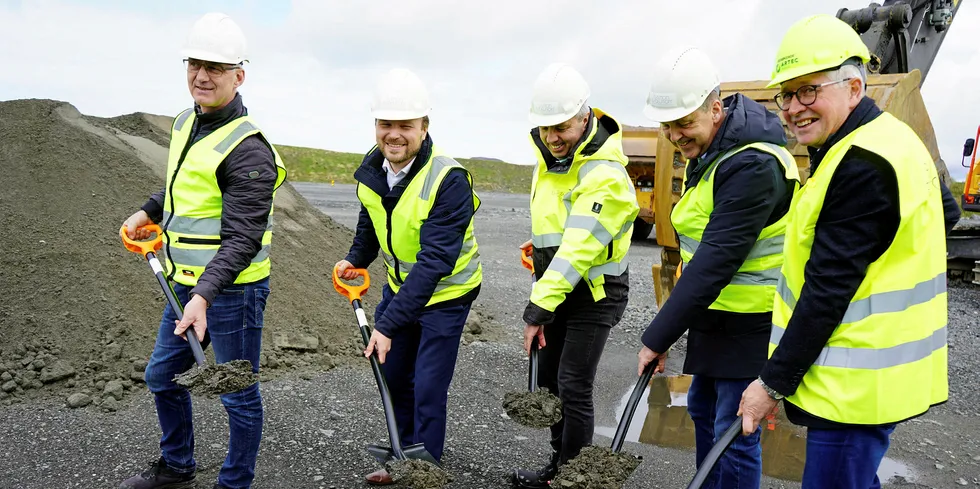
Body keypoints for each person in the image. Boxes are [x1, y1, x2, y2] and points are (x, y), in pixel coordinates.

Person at [738, 14, 961, 489]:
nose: (793, 107)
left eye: (808, 91)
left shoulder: (860, 163)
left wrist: (770, 384)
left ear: (854, 87)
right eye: (786, 94)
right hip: (872, 375)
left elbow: (827, 292)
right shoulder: (894, 138)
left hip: (853, 382)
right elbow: (947, 214)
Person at [119, 12, 287, 489]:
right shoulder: (184, 122)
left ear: (239, 75)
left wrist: (204, 297)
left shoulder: (249, 150)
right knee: (162, 376)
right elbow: (182, 187)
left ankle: (234, 483)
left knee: (237, 394)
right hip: (185, 282)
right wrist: (149, 210)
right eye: (195, 63)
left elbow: (242, 238)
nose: (202, 75)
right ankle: (178, 466)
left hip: (232, 292)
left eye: (215, 67)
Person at [635, 45, 801, 488]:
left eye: (684, 123)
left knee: (735, 429)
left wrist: (657, 338)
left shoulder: (754, 164)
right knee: (703, 411)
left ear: (715, 107)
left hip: (753, 320)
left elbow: (715, 261)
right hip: (717, 315)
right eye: (667, 125)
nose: (675, 135)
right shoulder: (714, 149)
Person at [334, 67, 483, 486]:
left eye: (405, 125)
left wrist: (387, 323)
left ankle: (426, 469)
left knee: (429, 385)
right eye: (386, 124)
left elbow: (436, 262)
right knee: (394, 375)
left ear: (424, 127)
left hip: (447, 294)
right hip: (401, 289)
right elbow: (371, 222)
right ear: (375, 125)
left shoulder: (448, 180)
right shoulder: (373, 167)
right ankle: (401, 454)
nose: (394, 134)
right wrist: (355, 260)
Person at [511, 62, 639, 489]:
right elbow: (562, 232)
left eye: (561, 127)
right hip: (559, 287)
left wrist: (537, 309)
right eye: (546, 129)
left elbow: (579, 248)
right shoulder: (548, 162)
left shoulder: (605, 175)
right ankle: (559, 465)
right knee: (548, 380)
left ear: (586, 117)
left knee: (573, 383)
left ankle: (572, 477)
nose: (552, 138)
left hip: (595, 294)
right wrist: (541, 252)